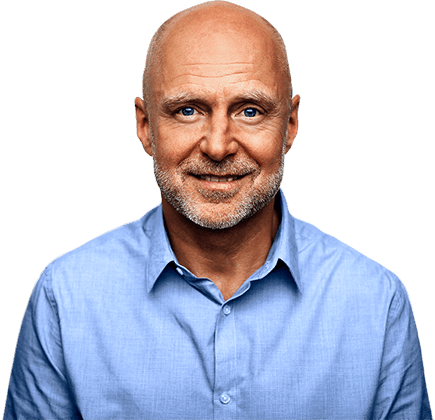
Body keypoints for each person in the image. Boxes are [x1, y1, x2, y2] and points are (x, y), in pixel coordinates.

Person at [3, 1, 432, 419]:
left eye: (250, 111)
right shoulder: (67, 296)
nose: (218, 145)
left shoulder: (377, 302)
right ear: (145, 126)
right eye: (188, 110)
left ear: (291, 126)